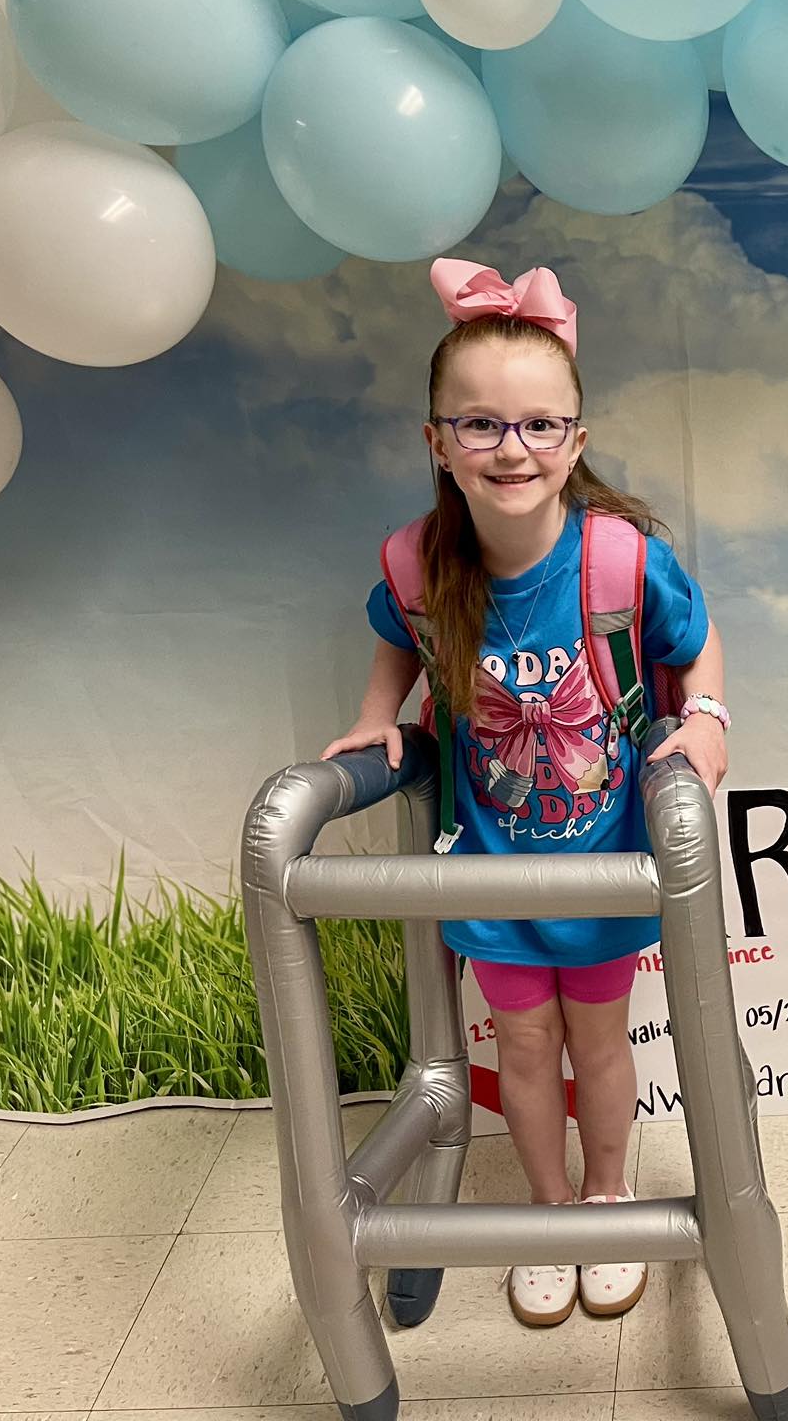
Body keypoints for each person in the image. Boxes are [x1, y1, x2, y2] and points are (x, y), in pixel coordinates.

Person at [323, 259, 727, 1326]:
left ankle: (606, 1198)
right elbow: (392, 632)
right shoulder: (421, 566)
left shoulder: (618, 560)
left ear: (576, 441)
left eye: (542, 426)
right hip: (494, 871)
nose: (513, 449)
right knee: (526, 1047)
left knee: (598, 1043)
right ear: (436, 442)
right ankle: (548, 1212)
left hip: (600, 864)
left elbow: (696, 646)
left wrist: (709, 721)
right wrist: (378, 715)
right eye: (481, 425)